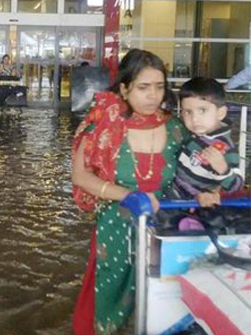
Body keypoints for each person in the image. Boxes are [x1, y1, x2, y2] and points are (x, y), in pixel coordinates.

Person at [71, 48, 188, 334]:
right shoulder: (103, 124)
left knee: (164, 304)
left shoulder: (175, 127)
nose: (153, 96)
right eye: (144, 88)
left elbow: (197, 173)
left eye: (160, 87)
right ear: (124, 89)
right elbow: (80, 175)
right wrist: (126, 195)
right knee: (110, 302)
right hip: (116, 228)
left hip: (164, 230)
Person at [158, 77, 244, 227]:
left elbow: (236, 185)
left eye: (202, 110)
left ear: (221, 113)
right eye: (187, 112)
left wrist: (222, 169)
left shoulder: (225, 147)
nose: (194, 118)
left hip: (192, 204)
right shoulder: (196, 136)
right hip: (176, 195)